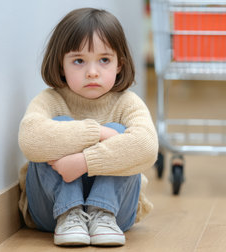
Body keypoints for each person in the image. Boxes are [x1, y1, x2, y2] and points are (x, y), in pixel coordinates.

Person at [17, 8, 158, 247]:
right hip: (49, 211)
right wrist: (99, 133)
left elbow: (146, 148)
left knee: (122, 131)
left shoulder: (127, 103)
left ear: (119, 65)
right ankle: (68, 214)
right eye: (79, 61)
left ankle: (102, 214)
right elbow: (30, 140)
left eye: (104, 60)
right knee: (59, 124)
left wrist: (83, 162)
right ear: (61, 65)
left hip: (117, 215)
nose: (92, 72)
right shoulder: (50, 100)